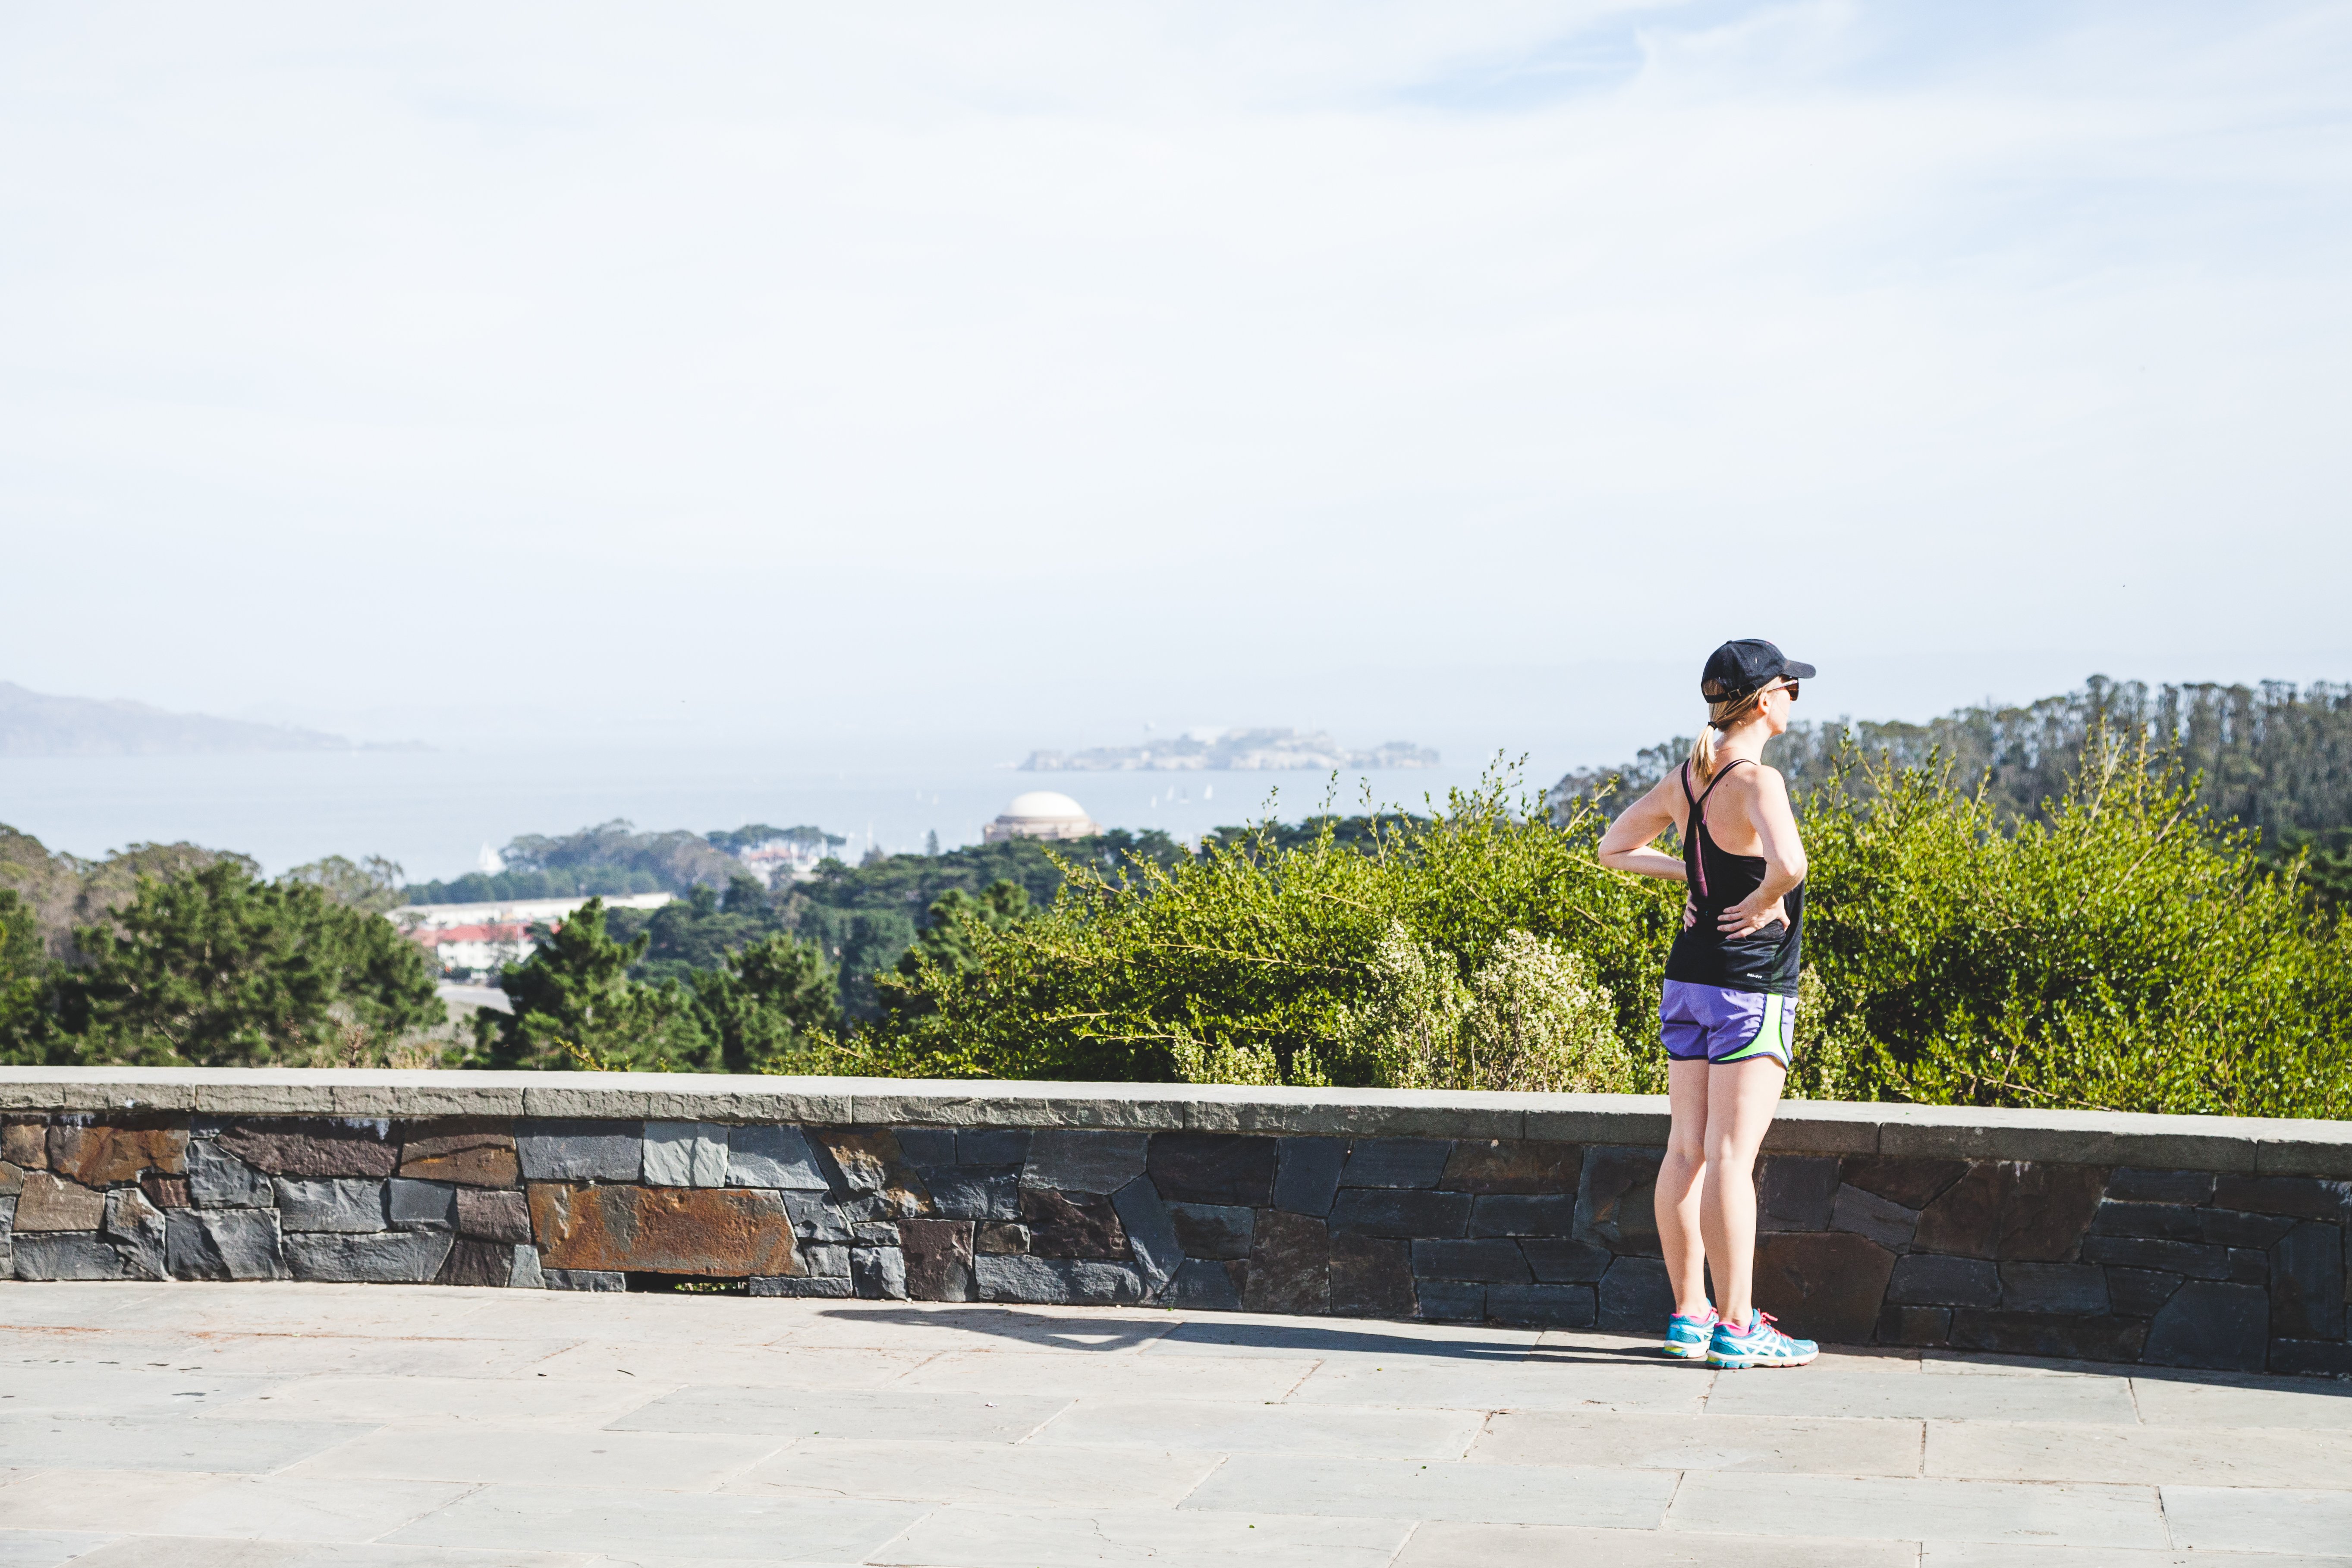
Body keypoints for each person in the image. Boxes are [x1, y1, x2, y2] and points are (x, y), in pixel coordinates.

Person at [1595, 638, 1819, 1370]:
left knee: (1686, 1151)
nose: (1795, 699)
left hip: (1686, 981)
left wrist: (1692, 882)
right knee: (1730, 1157)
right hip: (1749, 988)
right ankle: (1737, 1326)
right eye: (1792, 687)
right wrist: (1760, 901)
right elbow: (1791, 866)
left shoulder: (1688, 777)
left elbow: (1613, 848)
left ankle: (1690, 1314)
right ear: (1763, 699)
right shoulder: (1759, 780)